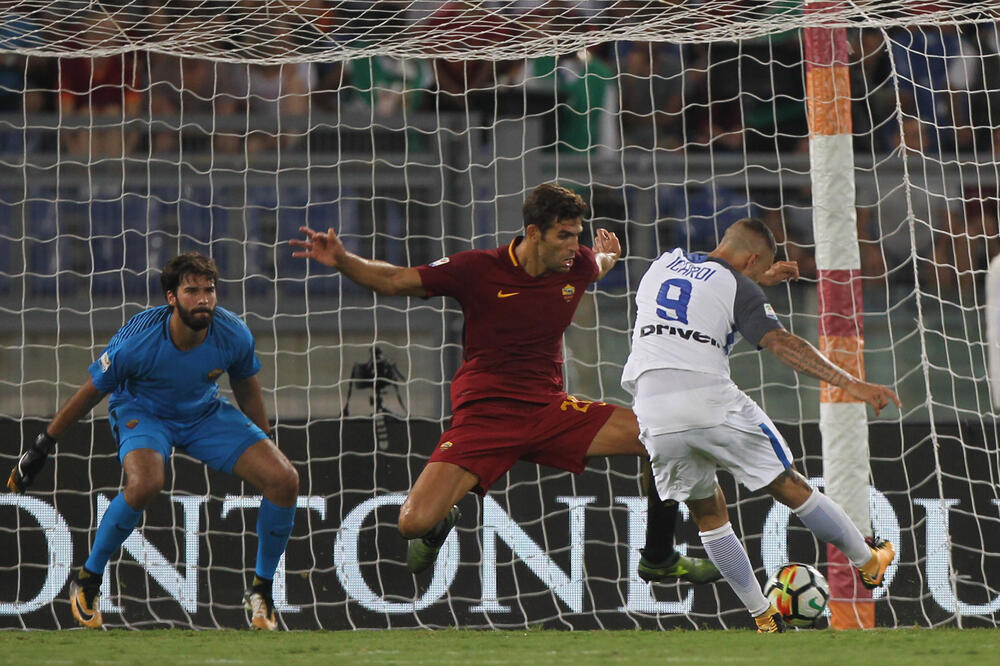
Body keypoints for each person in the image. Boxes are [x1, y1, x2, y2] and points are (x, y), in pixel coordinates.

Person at [292, 183, 730, 583]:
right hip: (485, 417)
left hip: (550, 410)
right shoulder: (477, 269)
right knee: (412, 523)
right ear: (534, 233)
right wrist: (343, 260)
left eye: (578, 235)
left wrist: (606, 256)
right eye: (564, 236)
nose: (574, 246)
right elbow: (394, 280)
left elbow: (595, 265)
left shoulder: (576, 264)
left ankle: (658, 555)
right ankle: (440, 524)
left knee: (661, 436)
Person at [621, 218, 901, 633]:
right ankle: (868, 561)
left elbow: (705, 288)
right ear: (753, 259)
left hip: (652, 410)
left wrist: (756, 278)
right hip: (709, 401)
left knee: (707, 512)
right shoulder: (741, 288)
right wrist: (852, 383)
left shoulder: (661, 265)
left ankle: (763, 615)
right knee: (790, 485)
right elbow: (782, 344)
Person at [7, 253, 299, 631]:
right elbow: (91, 392)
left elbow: (245, 385)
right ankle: (88, 580)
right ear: (171, 298)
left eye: (209, 290)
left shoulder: (234, 333)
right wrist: (42, 447)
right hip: (142, 411)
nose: (203, 299)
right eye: (192, 291)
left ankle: (262, 591)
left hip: (202, 412)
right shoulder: (138, 341)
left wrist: (266, 441)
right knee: (146, 482)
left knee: (284, 479)